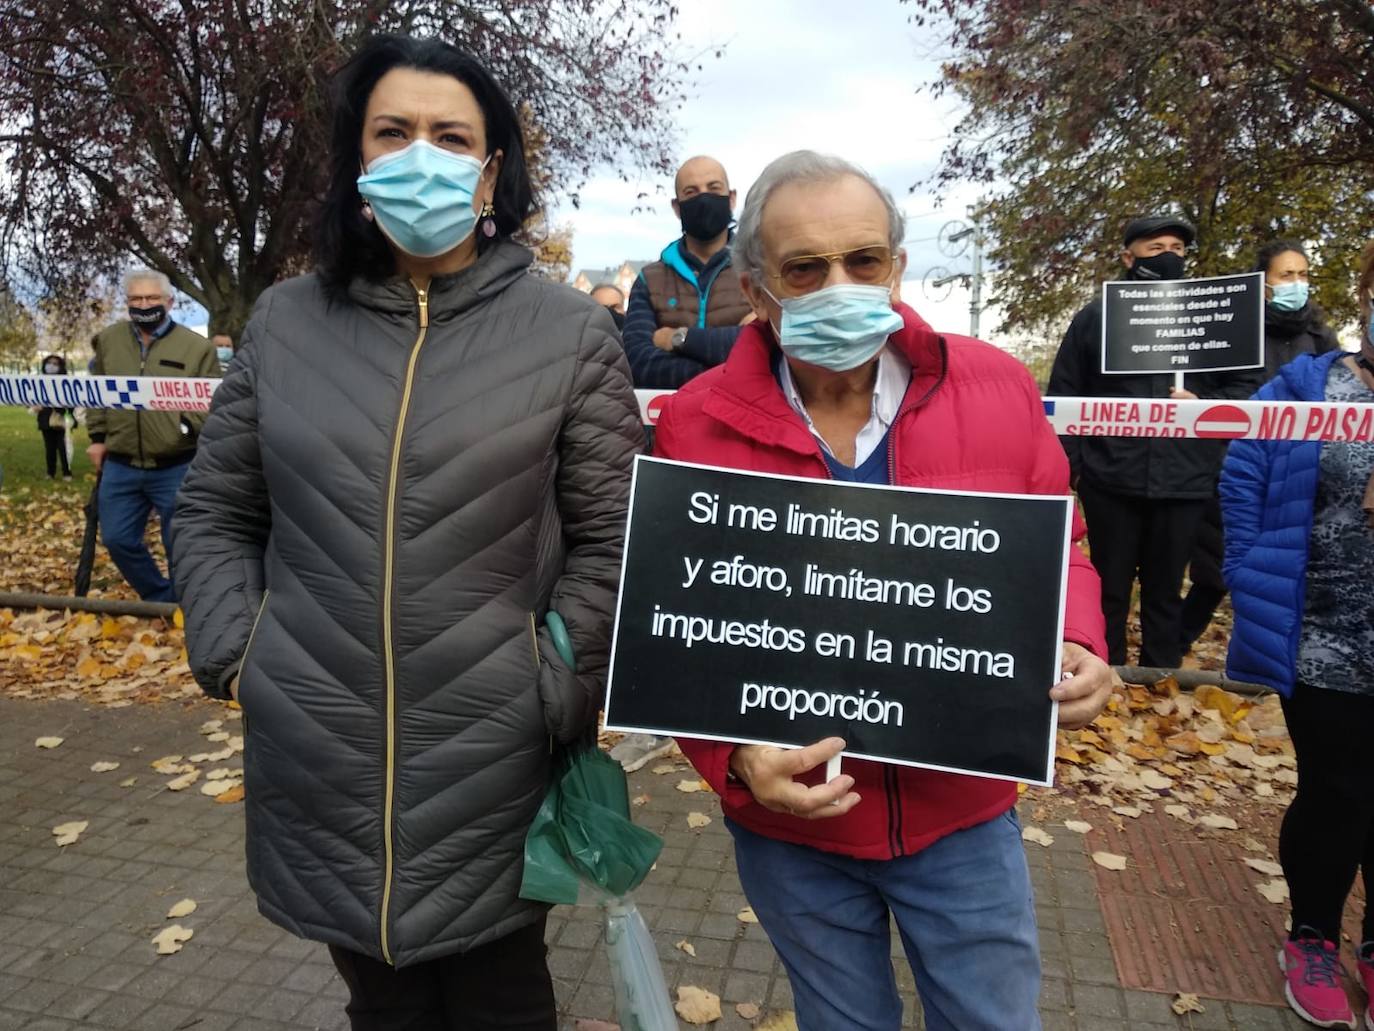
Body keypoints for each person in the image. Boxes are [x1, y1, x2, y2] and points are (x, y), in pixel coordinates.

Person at [171, 34, 640, 1031]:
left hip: (494, 755)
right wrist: (235, 648)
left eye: (449, 134)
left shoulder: (568, 335)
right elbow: (215, 506)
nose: (420, 152)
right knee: (379, 1003)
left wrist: (554, 677)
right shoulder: (285, 323)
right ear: (357, 159)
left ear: (490, 168)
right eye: (394, 131)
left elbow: (615, 540)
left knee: (503, 999)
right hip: (317, 743)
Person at [655, 150, 1112, 1031]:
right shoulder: (694, 422)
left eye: (863, 261)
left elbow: (1064, 542)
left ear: (897, 267)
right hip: (797, 834)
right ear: (757, 291)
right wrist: (736, 763)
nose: (841, 284)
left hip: (964, 816)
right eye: (805, 268)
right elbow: (677, 632)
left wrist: (1080, 641)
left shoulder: (997, 385)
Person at [1220, 240, 1374, 1031]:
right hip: (1327, 634)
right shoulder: (1311, 385)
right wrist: (1249, 572)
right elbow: (1243, 470)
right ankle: (1312, 935)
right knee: (1339, 790)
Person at [1047, 214, 1261, 669]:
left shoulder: (1212, 320)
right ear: (1129, 258)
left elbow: (1247, 389)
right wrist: (1076, 467)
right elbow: (1064, 393)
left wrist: (1201, 401)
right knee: (1109, 588)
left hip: (1186, 480)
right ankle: (1106, 669)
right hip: (1110, 479)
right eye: (1155, 247)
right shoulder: (1096, 318)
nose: (1169, 257)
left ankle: (1161, 673)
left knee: (1166, 590)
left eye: (1178, 250)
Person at [1178, 240, 1339, 653]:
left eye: (1303, 275)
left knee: (1290, 571)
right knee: (1215, 575)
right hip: (1232, 468)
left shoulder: (1321, 338)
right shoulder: (1233, 332)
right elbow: (1200, 388)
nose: (1296, 284)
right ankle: (1174, 646)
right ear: (1263, 281)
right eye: (1287, 275)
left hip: (1300, 473)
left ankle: (1289, 654)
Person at [86, 269, 220, 601]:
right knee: (117, 539)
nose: (144, 305)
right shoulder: (108, 341)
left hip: (177, 464)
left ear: (169, 302)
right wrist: (98, 437)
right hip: (120, 463)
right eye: (136, 299)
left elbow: (210, 402)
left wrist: (183, 429)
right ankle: (161, 599)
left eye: (151, 298)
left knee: (181, 543)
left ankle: (188, 605)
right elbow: (95, 392)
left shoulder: (197, 348)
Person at [620, 154, 753, 389]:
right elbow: (638, 363)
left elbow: (770, 349)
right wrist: (730, 361)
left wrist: (678, 338)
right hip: (666, 420)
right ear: (677, 207)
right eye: (691, 192)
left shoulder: (758, 272)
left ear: (731, 198)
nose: (703, 198)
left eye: (713, 188)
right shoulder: (649, 280)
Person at [35, 353, 74, 480]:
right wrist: (35, 407)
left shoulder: (66, 382)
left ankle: (66, 472)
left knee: (63, 447)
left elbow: (72, 401)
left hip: (62, 419)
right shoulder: (40, 381)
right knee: (49, 448)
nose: (51, 366)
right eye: (49, 363)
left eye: (55, 364)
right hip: (45, 419)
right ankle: (50, 472)